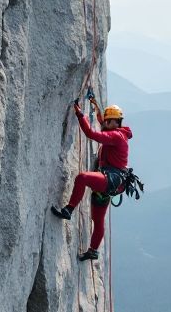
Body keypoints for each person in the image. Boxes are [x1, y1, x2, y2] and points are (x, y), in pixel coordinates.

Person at [51, 101, 132, 261]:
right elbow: (103, 124)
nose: (105, 123)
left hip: (110, 179)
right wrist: (95, 104)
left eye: (109, 121)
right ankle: (93, 251)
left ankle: (68, 210)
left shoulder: (115, 136)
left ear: (115, 122)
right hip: (113, 183)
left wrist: (80, 115)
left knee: (83, 178)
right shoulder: (118, 132)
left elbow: (90, 133)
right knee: (98, 218)